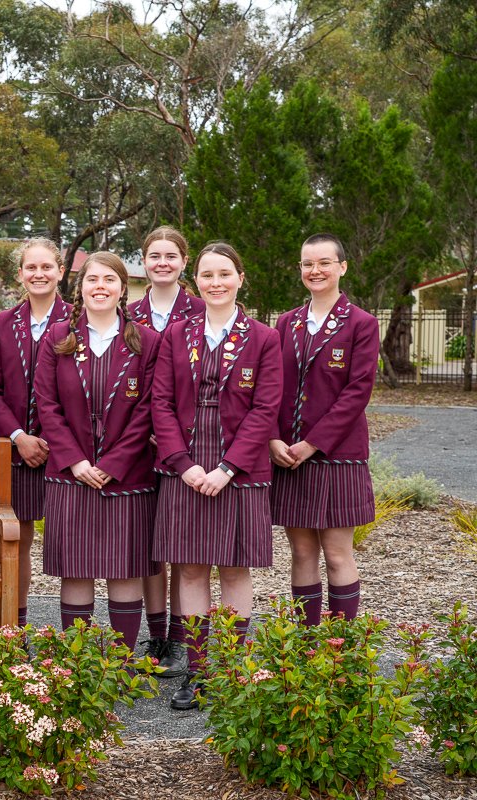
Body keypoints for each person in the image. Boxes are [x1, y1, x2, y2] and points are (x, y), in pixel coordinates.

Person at [151, 242, 282, 711]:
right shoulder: (175, 334)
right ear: (196, 281)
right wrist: (183, 465)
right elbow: (160, 404)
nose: (216, 282)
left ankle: (232, 669)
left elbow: (266, 409)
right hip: (185, 464)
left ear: (240, 278)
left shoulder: (264, 338)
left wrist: (228, 467)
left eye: (224, 273)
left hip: (239, 468)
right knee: (189, 566)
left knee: (233, 566)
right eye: (207, 275)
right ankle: (198, 669)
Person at [34, 252, 160, 650]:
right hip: (70, 475)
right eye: (92, 280)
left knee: (124, 569)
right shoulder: (57, 339)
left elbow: (149, 411)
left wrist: (111, 464)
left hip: (128, 476)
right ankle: (77, 662)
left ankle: (120, 666)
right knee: (76, 569)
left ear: (124, 288)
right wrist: (77, 461)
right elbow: (47, 405)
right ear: (80, 287)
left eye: (109, 279)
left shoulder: (147, 342)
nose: (100, 286)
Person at [271, 233, 378, 624]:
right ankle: (306, 641)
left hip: (336, 455)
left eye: (324, 263)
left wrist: (312, 444)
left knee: (336, 554)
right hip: (289, 456)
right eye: (307, 264)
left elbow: (357, 393)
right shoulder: (286, 324)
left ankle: (340, 647)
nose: (315, 271)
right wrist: (273, 439)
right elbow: (271, 388)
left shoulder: (362, 324)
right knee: (301, 553)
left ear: (342, 267)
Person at [128, 225, 205, 677]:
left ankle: (181, 635)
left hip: (186, 448)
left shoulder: (200, 310)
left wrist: (174, 434)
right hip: (139, 444)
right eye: (154, 255)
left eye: (171, 256)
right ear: (144, 261)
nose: (162, 263)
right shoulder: (129, 313)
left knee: (181, 546)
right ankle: (155, 634)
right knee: (149, 546)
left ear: (183, 261)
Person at [0, 238, 72, 629]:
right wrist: (18, 436)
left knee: (71, 543)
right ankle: (12, 629)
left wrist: (59, 442)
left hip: (68, 453)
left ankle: (73, 633)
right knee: (15, 540)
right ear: (20, 274)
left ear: (61, 272)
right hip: (16, 451)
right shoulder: (4, 323)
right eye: (31, 268)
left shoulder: (78, 320)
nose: (39, 274)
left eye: (47, 267)